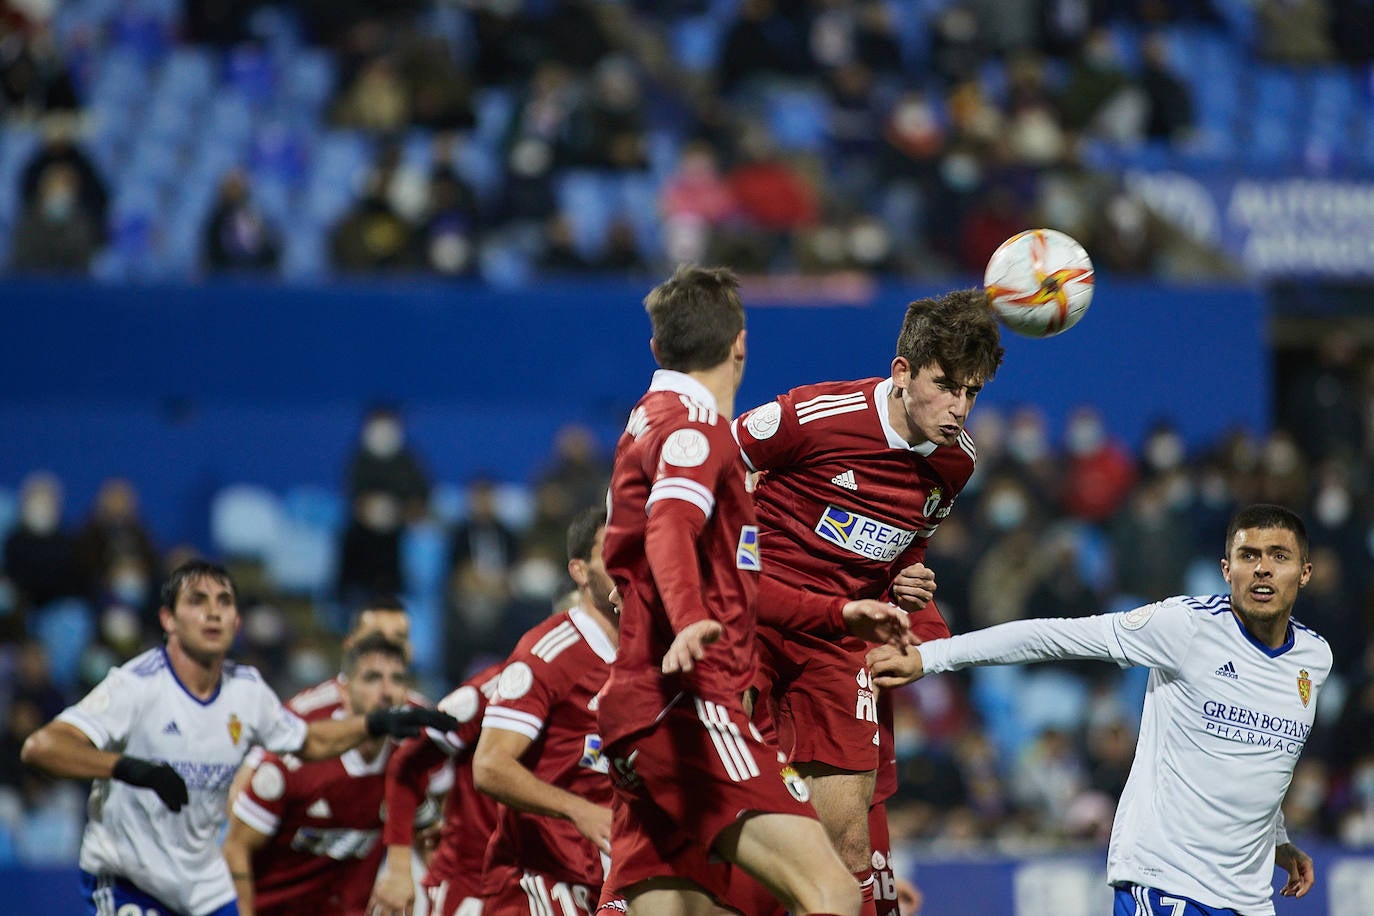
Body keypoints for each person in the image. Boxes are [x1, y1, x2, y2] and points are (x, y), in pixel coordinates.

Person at [597, 265, 911, 916]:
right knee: (830, 892)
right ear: (741, 344)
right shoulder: (694, 429)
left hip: (639, 710)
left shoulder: (646, 422)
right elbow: (669, 528)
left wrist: (837, 612)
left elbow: (731, 582)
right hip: (691, 704)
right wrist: (687, 620)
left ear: (657, 349)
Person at [868, 504, 1328, 916]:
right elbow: (1052, 635)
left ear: (1304, 573)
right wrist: (931, 656)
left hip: (1250, 899)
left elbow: (1264, 760)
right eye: (1249, 556)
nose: (1263, 569)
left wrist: (1278, 838)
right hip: (1168, 885)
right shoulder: (1186, 628)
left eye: (1279, 556)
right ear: (1227, 570)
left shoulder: (1314, 658)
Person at [730, 287, 1003, 911]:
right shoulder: (812, 415)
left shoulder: (955, 464)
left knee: (848, 853)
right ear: (902, 373)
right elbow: (713, 466)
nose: (959, 407)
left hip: (840, 639)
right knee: (729, 823)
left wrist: (908, 581)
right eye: (946, 385)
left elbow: (906, 546)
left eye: (973, 392)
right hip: (754, 621)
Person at [20, 559, 458, 916]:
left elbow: (307, 743)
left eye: (224, 601)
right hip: (133, 881)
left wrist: (373, 725)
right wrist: (130, 768)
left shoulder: (248, 691)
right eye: (198, 601)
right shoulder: (135, 686)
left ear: (236, 621)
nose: (213, 612)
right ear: (168, 619)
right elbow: (43, 747)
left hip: (205, 886)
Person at [469, 506, 619, 916]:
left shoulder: (653, 653)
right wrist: (578, 809)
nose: (628, 564)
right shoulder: (550, 654)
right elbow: (489, 766)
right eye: (611, 552)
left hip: (616, 879)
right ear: (580, 571)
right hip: (541, 882)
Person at [221, 633, 411, 916]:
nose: (386, 692)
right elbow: (236, 848)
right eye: (372, 678)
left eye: (397, 680)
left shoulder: (410, 758)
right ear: (343, 692)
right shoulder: (293, 761)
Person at [370, 662, 503, 916]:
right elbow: (407, 766)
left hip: (549, 875)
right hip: (469, 881)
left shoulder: (593, 696)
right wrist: (399, 868)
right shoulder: (488, 693)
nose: (385, 691)